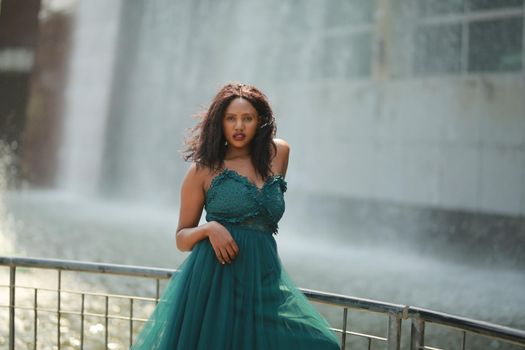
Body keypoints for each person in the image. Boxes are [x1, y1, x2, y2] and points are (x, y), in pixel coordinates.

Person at [131, 83, 340, 349]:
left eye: (247, 118)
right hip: (216, 282)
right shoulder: (203, 171)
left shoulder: (279, 154)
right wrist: (210, 228)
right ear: (220, 123)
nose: (238, 126)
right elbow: (181, 238)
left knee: (322, 344)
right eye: (231, 118)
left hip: (264, 280)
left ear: (260, 121)